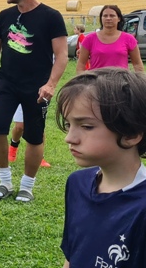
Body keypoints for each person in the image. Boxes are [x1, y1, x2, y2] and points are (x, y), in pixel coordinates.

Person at [0, 0, 68, 202]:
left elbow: (61, 56)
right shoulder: (5, 16)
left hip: (37, 87)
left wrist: (51, 85)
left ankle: (27, 186)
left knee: (34, 136)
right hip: (6, 82)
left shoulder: (51, 17)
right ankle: (5, 182)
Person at [56, 67, 146, 267]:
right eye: (68, 125)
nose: (69, 138)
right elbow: (72, 254)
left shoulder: (142, 207)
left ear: (131, 134)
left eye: (86, 126)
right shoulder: (77, 183)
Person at [77, 4, 144, 74]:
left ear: (119, 18)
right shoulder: (89, 39)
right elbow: (81, 64)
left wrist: (140, 79)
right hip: (96, 80)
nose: (108, 18)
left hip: (121, 80)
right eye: (105, 16)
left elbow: (137, 64)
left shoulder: (129, 39)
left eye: (112, 16)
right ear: (101, 18)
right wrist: (83, 78)